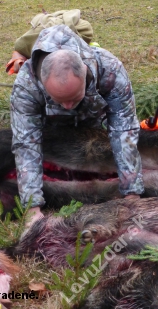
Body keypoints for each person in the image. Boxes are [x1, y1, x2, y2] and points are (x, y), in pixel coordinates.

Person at [10, 24, 144, 226]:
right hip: (52, 133)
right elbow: (26, 143)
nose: (67, 106)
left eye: (73, 98)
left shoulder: (110, 70)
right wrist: (32, 208)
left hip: (94, 125)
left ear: (85, 74)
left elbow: (124, 131)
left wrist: (132, 195)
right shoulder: (26, 86)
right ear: (43, 84)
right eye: (59, 100)